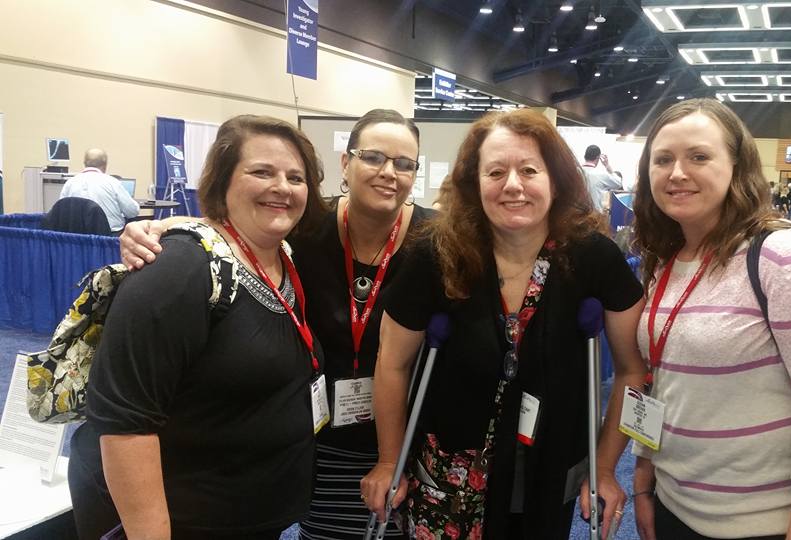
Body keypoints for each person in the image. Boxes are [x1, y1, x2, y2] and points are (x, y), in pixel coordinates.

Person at [119, 109, 432, 539]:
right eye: (374, 157)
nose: (388, 173)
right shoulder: (306, 228)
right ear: (347, 162)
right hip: (319, 440)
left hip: (401, 439)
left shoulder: (436, 238)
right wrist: (168, 229)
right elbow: (238, 230)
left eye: (404, 163)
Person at [361, 109, 645, 538]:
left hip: (549, 464)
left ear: (555, 179)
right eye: (495, 171)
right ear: (475, 182)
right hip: (450, 469)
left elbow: (631, 368)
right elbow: (393, 362)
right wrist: (388, 459)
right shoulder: (437, 253)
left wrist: (604, 468)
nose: (513, 185)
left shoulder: (593, 257)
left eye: (529, 170)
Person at [68, 115, 328, 539]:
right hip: (191, 523)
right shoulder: (179, 270)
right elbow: (124, 423)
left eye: (295, 177)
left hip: (257, 518)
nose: (282, 186)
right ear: (222, 181)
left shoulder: (282, 255)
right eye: (262, 171)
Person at [630, 99, 791, 540]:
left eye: (699, 157)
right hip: (675, 506)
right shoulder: (668, 262)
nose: (677, 172)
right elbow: (662, 383)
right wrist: (645, 481)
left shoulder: (786, 258)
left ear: (737, 165)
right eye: (663, 159)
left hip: (767, 523)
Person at [60, 148, 140, 232]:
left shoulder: (69, 183)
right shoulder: (112, 182)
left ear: (84, 163)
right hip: (109, 239)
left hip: (78, 239)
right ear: (105, 164)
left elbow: (61, 212)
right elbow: (132, 212)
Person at [582, 144, 622, 211]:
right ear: (598, 158)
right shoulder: (601, 174)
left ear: (585, 156)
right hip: (595, 216)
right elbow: (618, 183)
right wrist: (607, 166)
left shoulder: (574, 171)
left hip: (576, 216)